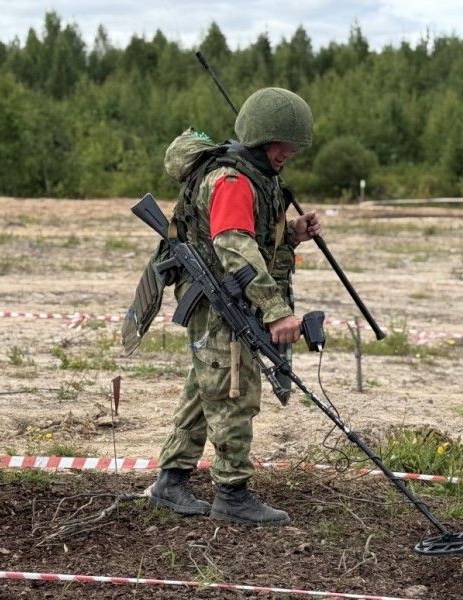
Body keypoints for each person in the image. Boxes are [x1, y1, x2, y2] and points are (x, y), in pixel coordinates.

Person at [146, 87, 321, 526]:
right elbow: (234, 246)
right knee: (233, 392)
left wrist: (293, 232)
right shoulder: (233, 180)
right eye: (285, 145)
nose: (290, 153)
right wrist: (276, 311)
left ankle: (171, 480)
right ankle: (232, 493)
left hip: (224, 297)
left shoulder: (255, 175)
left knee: (206, 389)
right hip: (222, 301)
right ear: (263, 138)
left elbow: (251, 235)